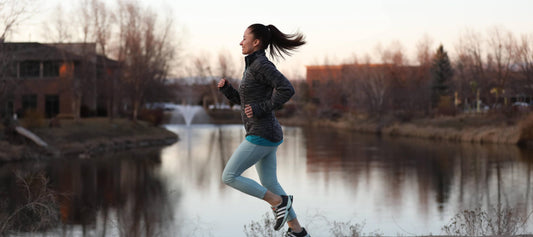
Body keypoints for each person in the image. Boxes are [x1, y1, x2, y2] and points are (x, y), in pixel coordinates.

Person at [218, 23, 310, 237]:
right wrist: (228, 91)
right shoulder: (252, 66)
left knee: (229, 176)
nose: (240, 42)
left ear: (256, 42)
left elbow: (287, 89)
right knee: (269, 182)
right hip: (267, 133)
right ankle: (297, 231)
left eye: (244, 38)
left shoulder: (260, 64)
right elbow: (247, 103)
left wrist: (262, 107)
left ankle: (278, 202)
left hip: (262, 133)